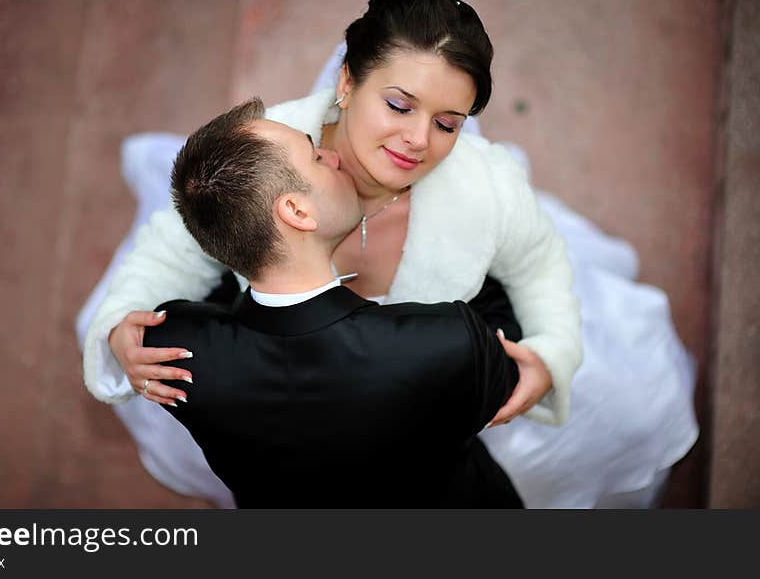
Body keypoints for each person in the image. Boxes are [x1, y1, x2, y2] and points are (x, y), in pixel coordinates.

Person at [77, 0, 698, 508]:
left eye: (447, 123)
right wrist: (118, 331)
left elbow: (537, 266)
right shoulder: (269, 161)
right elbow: (168, 252)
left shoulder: (485, 186)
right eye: (399, 104)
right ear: (347, 81)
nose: (417, 141)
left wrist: (554, 353)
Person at [143, 97, 527, 507]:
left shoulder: (174, 346)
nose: (334, 155)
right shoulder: (450, 340)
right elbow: (510, 370)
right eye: (315, 156)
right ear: (296, 210)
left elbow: (194, 311)